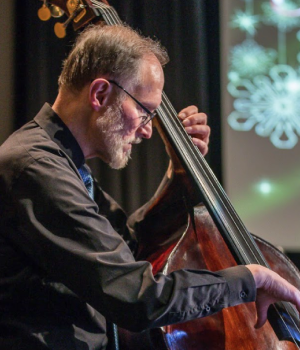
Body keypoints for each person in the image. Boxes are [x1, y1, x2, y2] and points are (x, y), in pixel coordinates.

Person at [0, 24, 299, 350]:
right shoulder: (37, 169)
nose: (146, 132)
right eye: (145, 112)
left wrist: (180, 175)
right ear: (100, 94)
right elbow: (135, 294)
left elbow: (130, 246)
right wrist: (250, 279)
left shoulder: (62, 165)